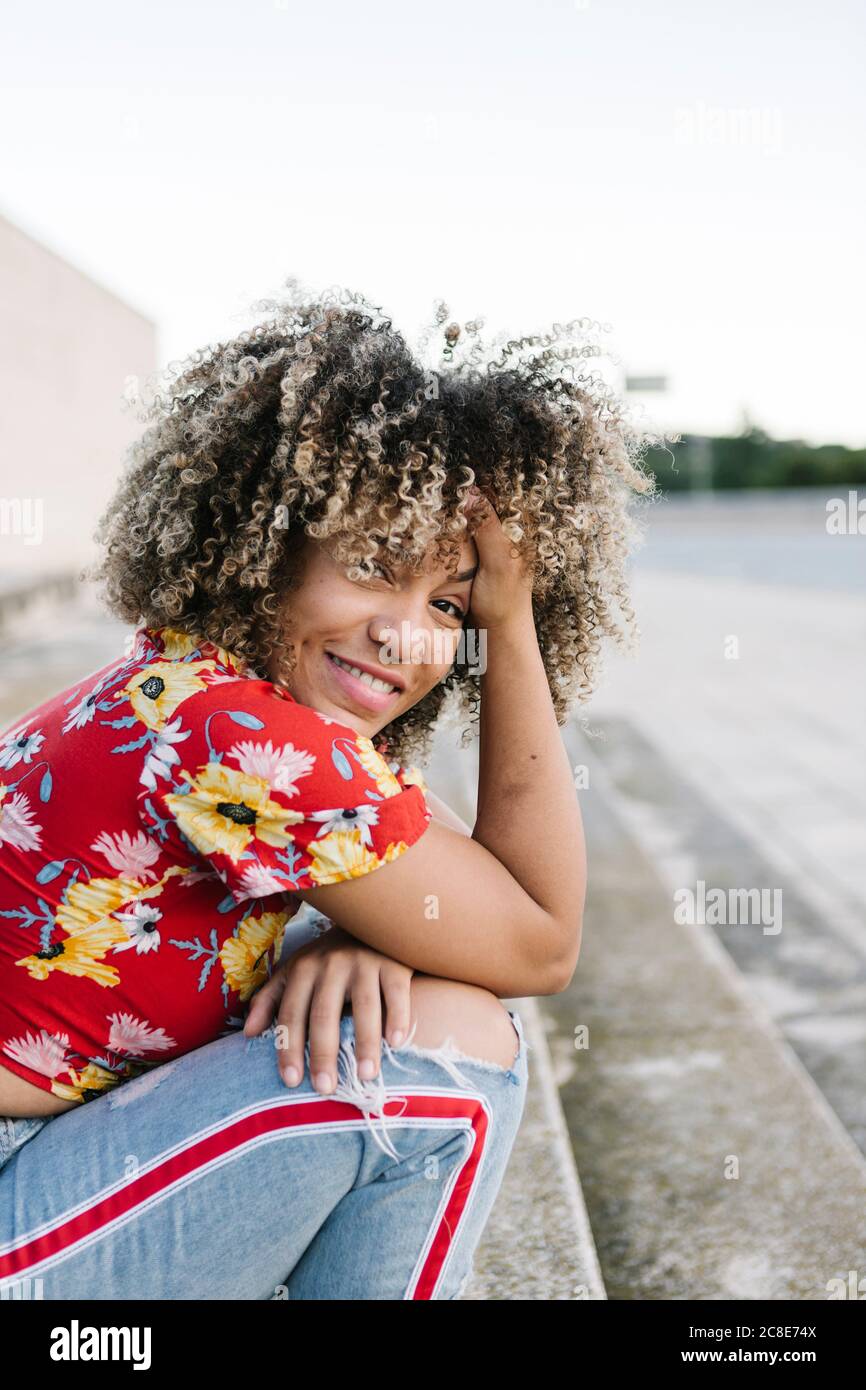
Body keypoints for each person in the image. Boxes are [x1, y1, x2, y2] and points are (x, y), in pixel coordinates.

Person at [0, 284, 654, 1299]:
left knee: (413, 1006)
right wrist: (510, 623)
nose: (408, 634)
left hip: (39, 1161)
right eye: (370, 564)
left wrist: (358, 930)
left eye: (450, 603)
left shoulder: (184, 681)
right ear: (265, 540)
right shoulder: (240, 735)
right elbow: (537, 937)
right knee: (454, 1059)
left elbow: (449, 890)